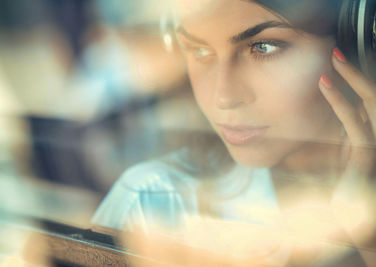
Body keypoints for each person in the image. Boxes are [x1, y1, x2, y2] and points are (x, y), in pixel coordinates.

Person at [92, 0, 376, 265]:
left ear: (358, 48)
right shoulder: (153, 200)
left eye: (264, 47)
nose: (223, 97)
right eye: (200, 51)